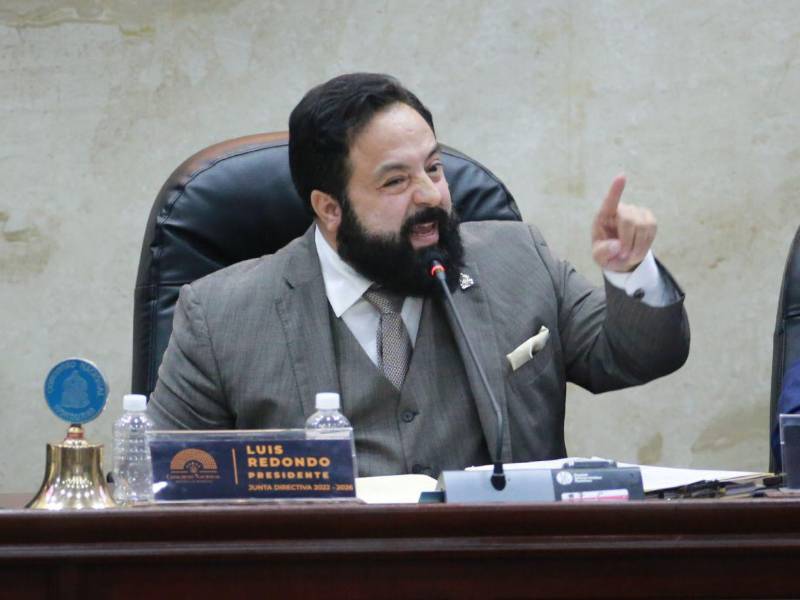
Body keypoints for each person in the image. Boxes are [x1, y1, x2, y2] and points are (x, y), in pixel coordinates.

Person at [147, 73, 689, 478]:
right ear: (329, 208)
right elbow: (163, 485)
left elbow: (640, 354)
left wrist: (630, 273)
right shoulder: (219, 318)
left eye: (433, 168)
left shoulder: (517, 259)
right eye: (395, 182)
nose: (431, 195)